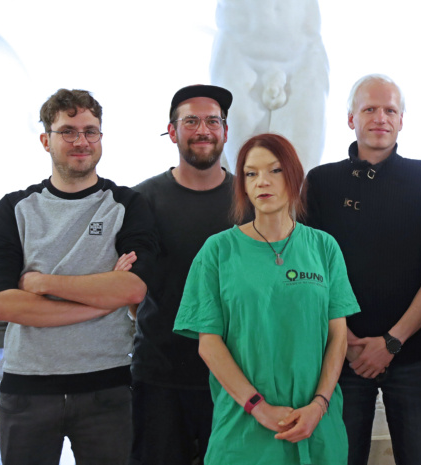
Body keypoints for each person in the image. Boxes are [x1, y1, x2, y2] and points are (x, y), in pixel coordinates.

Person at [0, 88, 157, 465]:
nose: (81, 141)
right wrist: (99, 301)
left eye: (90, 131)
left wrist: (42, 284)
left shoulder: (126, 205)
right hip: (27, 389)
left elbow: (132, 287)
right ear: (46, 140)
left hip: (107, 385)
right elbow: (0, 303)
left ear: (101, 138)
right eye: (68, 131)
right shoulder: (15, 208)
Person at [173, 133, 360, 464]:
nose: (263, 182)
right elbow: (208, 343)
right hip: (244, 427)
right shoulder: (217, 251)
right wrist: (257, 407)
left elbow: (338, 336)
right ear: (242, 184)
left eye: (274, 171)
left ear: (294, 177)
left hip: (316, 422)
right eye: (251, 173)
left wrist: (319, 404)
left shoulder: (324, 247)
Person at [304, 74, 421, 465]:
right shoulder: (321, 182)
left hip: (413, 354)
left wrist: (391, 342)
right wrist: (349, 340)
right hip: (342, 353)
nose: (380, 118)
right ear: (350, 118)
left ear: (402, 120)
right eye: (369, 109)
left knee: (419, 458)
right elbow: (309, 269)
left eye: (390, 109)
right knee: (340, 457)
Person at [129, 84, 236, 465]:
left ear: (225, 130)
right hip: (159, 372)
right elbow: (128, 285)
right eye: (191, 121)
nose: (203, 130)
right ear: (172, 132)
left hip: (235, 376)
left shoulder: (251, 199)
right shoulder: (141, 200)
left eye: (212, 121)